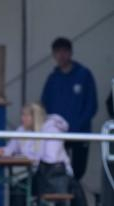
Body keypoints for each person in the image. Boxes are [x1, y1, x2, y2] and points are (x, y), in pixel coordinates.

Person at [0, 103, 94, 206]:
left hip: (58, 175)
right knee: (19, 189)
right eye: (22, 115)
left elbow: (50, 157)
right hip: (39, 176)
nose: (23, 119)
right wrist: (4, 151)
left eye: (26, 115)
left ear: (35, 117)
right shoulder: (22, 130)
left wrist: (29, 156)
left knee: (77, 192)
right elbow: (11, 149)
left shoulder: (52, 129)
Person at [41, 37, 97, 181]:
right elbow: (44, 105)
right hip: (58, 136)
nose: (61, 55)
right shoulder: (52, 78)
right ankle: (62, 202)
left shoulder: (84, 75)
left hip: (80, 133)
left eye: (64, 51)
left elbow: (91, 105)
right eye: (57, 52)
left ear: (71, 53)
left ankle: (73, 201)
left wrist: (77, 126)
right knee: (58, 170)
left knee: (78, 170)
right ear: (53, 55)